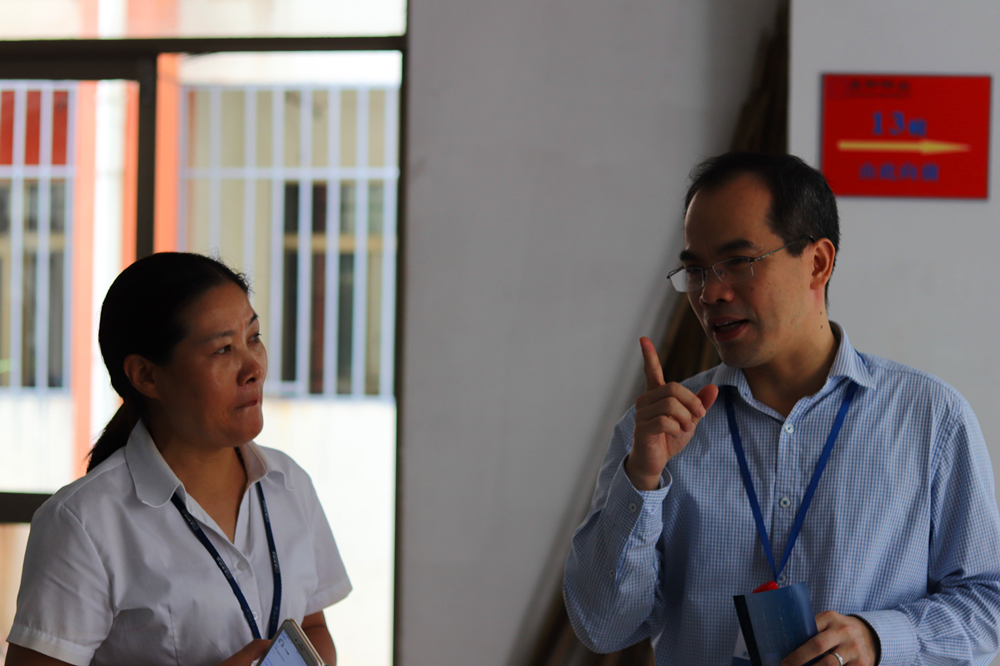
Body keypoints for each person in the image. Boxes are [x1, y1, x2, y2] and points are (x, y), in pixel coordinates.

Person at [563, 152, 1000, 666]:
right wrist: (641, 481)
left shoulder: (930, 418)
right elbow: (602, 627)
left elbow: (988, 605)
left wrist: (879, 639)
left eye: (738, 262)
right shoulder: (656, 437)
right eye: (696, 270)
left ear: (818, 263)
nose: (711, 293)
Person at [6, 253, 351, 666]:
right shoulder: (83, 522)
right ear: (146, 376)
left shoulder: (288, 482)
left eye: (254, 337)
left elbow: (312, 627)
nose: (253, 368)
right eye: (223, 349)